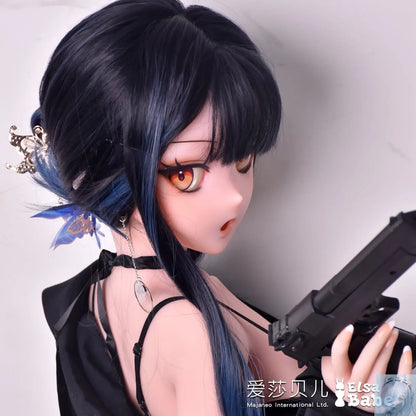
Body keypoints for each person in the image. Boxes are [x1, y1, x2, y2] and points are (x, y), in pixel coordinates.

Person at [6, 0, 412, 415]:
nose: (234, 195)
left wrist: (350, 392)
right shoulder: (185, 328)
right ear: (111, 173)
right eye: (186, 175)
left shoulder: (109, 292)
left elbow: (266, 392)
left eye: (243, 161)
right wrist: (353, 408)